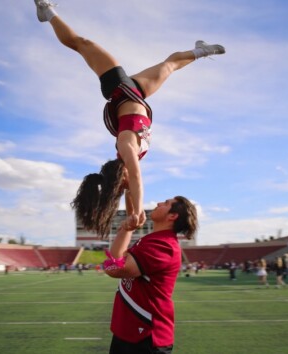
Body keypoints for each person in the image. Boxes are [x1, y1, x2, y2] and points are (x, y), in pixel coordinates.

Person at [33, 0, 225, 238]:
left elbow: (135, 180)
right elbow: (131, 190)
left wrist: (136, 213)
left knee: (82, 44)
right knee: (170, 65)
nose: (128, 188)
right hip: (137, 94)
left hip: (119, 88)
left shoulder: (126, 147)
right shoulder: (130, 160)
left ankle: (46, 11)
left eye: (123, 186)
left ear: (120, 176)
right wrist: (135, 218)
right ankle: (200, 50)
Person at [104, 195, 198, 353]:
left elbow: (116, 268)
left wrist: (111, 264)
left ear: (172, 216)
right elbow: (116, 259)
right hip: (129, 331)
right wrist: (126, 229)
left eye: (166, 203)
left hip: (146, 336)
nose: (159, 203)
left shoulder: (163, 245)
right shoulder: (152, 240)